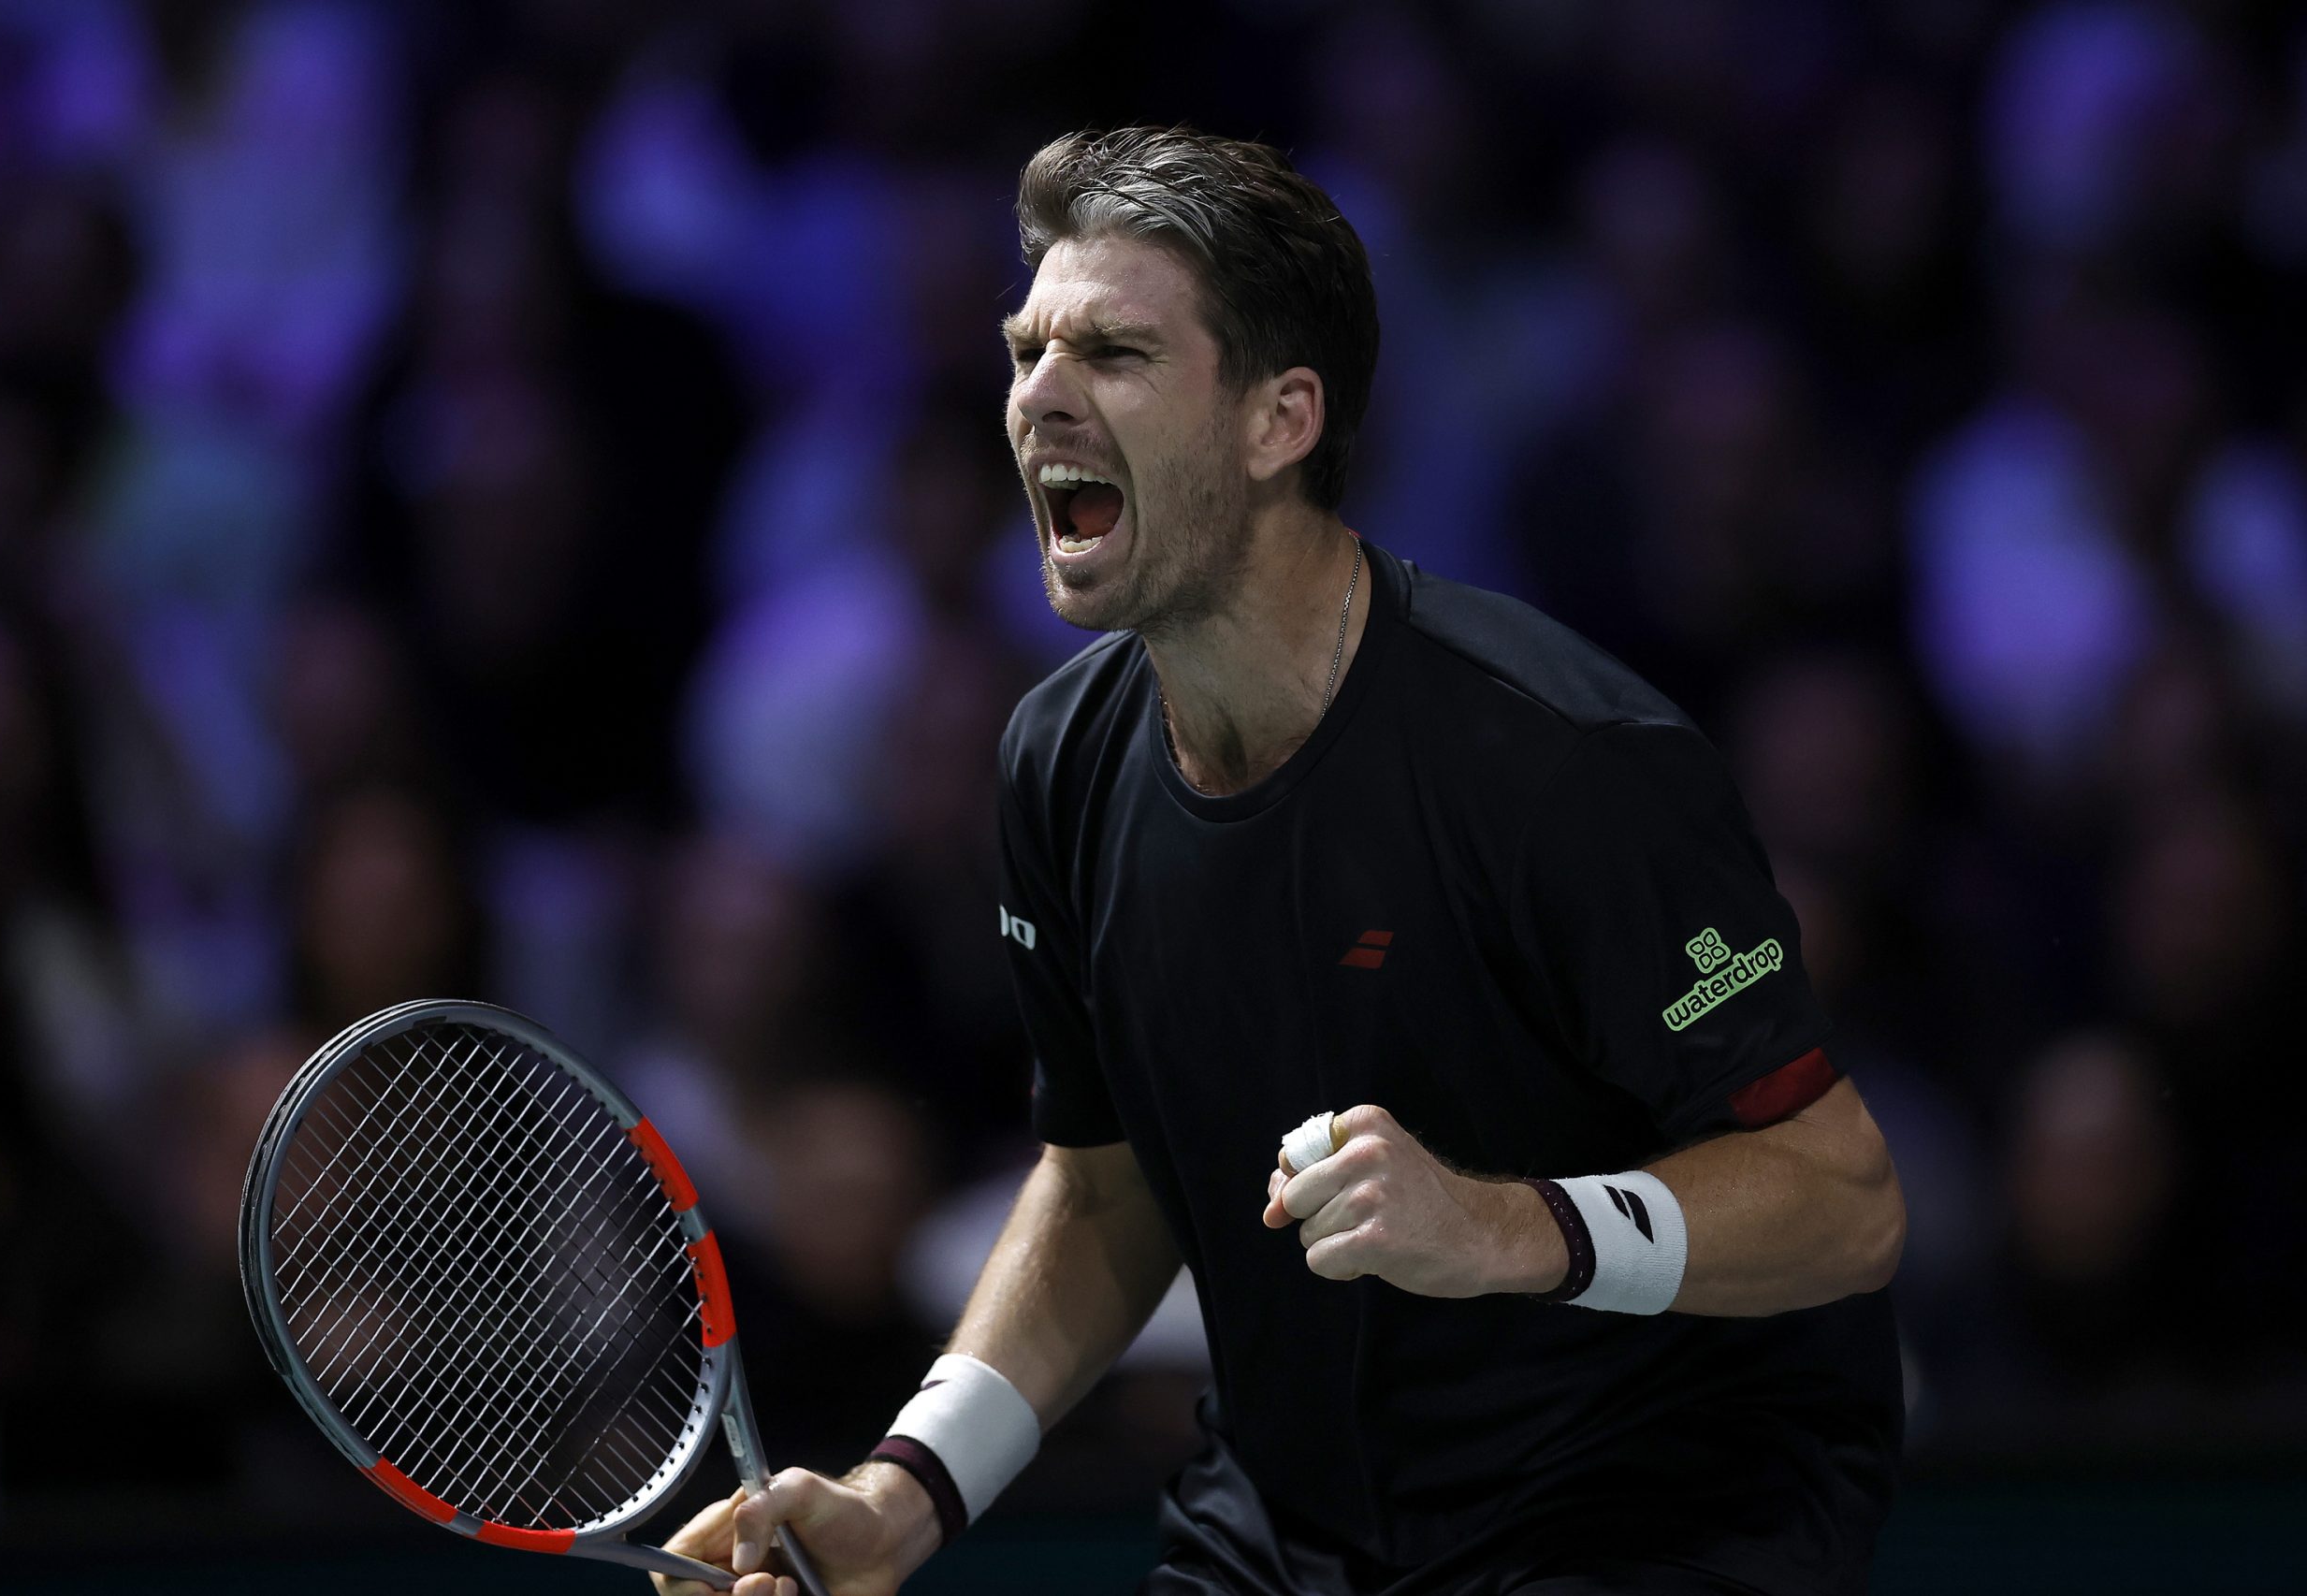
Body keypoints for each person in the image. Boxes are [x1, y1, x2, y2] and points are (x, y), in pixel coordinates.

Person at [652, 126, 1907, 1596]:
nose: (1038, 396)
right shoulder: (1058, 759)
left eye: (1113, 353)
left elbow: (1841, 1197)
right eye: (1027, 350)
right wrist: (900, 1496)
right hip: (1288, 1532)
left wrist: (1505, 1225)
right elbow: (1105, 1187)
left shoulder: (1562, 760)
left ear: (1279, 419)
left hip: (1648, 1520)